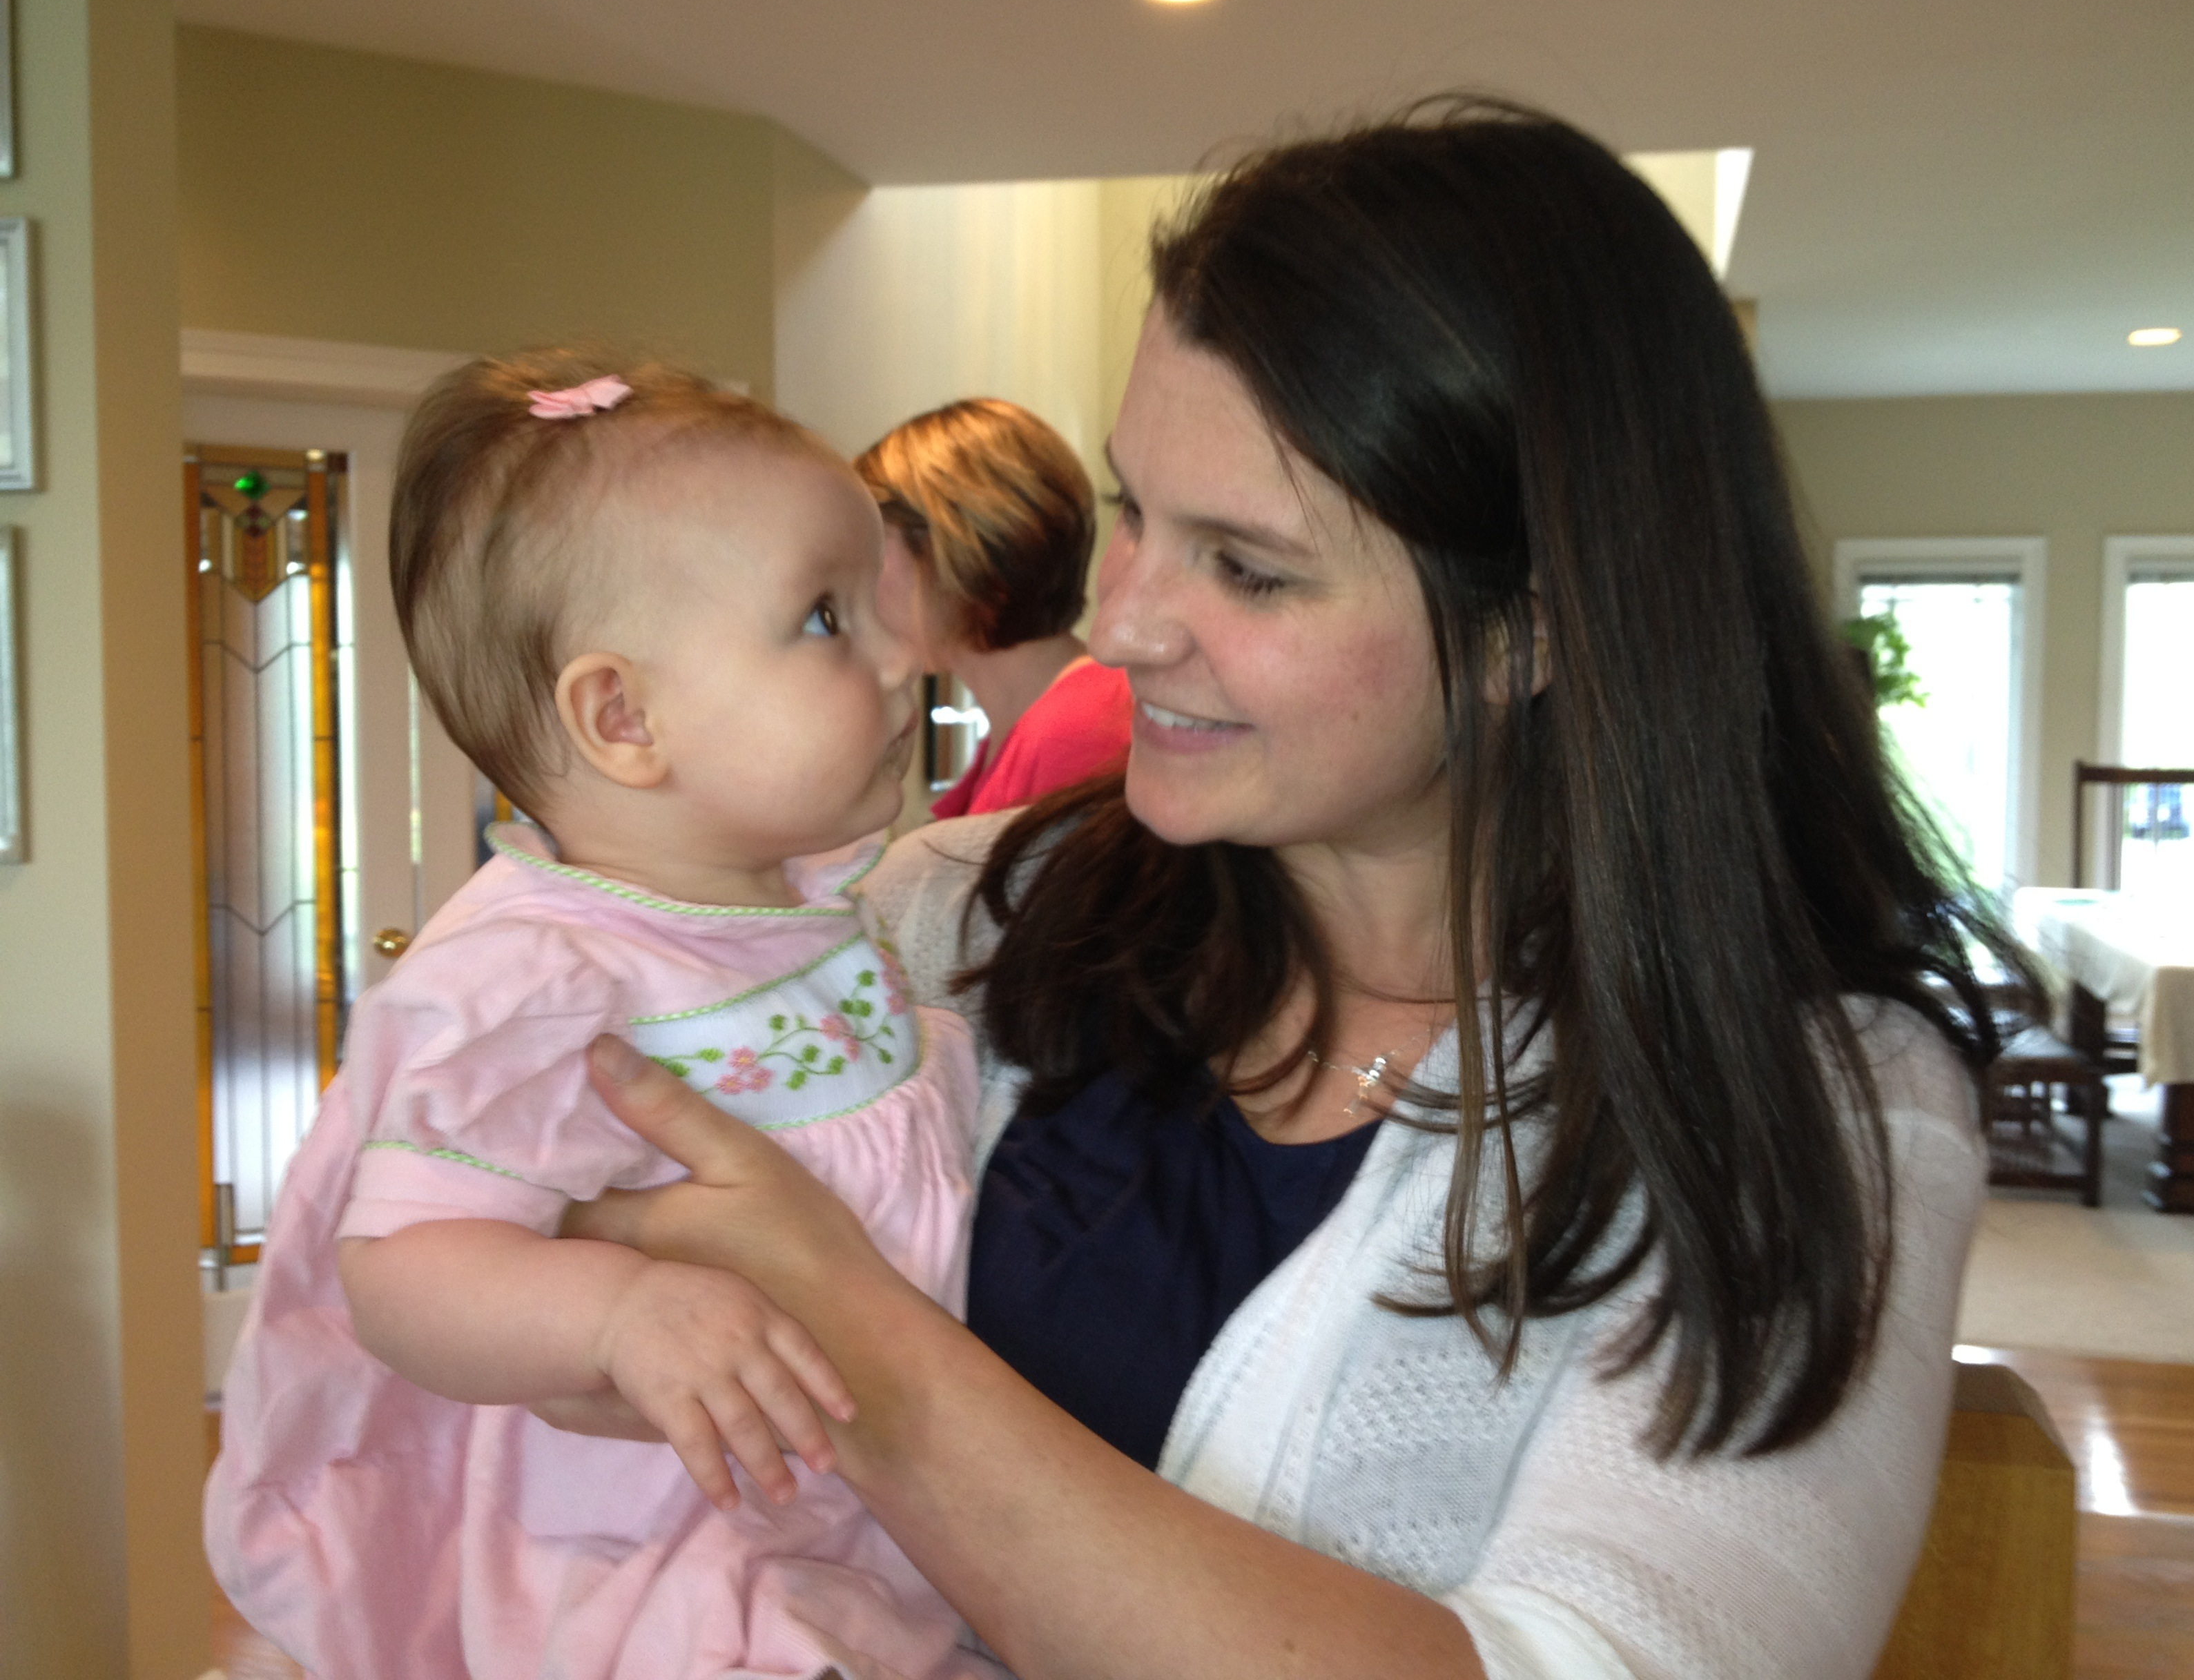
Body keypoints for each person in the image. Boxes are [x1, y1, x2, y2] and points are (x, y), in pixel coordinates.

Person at [548, 100, 2033, 1679]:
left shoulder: (1812, 1103)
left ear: (1535, 626)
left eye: (1248, 568)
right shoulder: (956, 919)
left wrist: (855, 1338)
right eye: (1134, 512)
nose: (1125, 626)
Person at [204, 352, 1000, 1680]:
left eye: (878, 603)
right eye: (825, 616)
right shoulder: (544, 977)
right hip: (670, 1551)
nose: (904, 654)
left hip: (877, 1513)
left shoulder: (809, 907)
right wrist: (620, 1311)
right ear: (622, 714)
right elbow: (401, 1269)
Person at [855, 399, 1132, 818]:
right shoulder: (1033, 725)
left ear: (951, 548)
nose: (862, 578)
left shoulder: (1076, 735)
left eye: (874, 544)